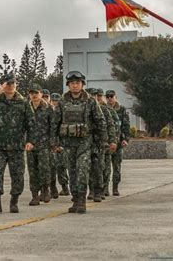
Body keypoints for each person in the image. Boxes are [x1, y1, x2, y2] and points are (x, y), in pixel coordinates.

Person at [54, 71, 106, 214]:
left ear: (82, 84)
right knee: (72, 172)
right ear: (68, 85)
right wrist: (54, 142)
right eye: (72, 83)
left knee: (82, 171)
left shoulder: (90, 101)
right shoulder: (62, 102)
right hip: (68, 144)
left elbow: (100, 121)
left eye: (77, 83)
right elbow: (55, 123)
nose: (75, 85)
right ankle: (75, 199)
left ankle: (82, 200)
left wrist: (103, 140)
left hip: (85, 143)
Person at [0, 73, 35, 214]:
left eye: (13, 83)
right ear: (3, 85)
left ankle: (14, 202)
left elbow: (31, 123)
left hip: (17, 145)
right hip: (0, 145)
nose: (11, 86)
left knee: (17, 174)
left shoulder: (23, 102)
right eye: (7, 84)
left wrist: (30, 140)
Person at [26, 83, 55, 206]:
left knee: (44, 169)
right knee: (32, 171)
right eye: (32, 93)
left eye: (36, 93)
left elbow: (53, 127)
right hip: (30, 144)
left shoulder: (48, 108)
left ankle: (45, 190)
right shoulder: (26, 108)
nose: (34, 95)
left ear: (41, 94)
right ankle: (34, 195)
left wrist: (53, 143)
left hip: (44, 144)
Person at [106, 90, 130, 196]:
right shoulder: (103, 109)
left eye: (111, 96)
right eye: (107, 96)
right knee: (105, 167)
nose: (110, 98)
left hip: (118, 143)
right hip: (106, 143)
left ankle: (115, 187)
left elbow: (126, 126)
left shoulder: (122, 110)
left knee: (117, 167)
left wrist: (125, 139)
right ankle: (105, 188)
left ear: (115, 97)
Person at [50, 92, 70, 196]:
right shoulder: (49, 112)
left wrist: (62, 144)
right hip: (51, 144)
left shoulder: (63, 113)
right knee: (52, 167)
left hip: (62, 144)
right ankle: (52, 189)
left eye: (57, 101)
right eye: (53, 100)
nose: (55, 102)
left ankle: (65, 187)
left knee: (61, 166)